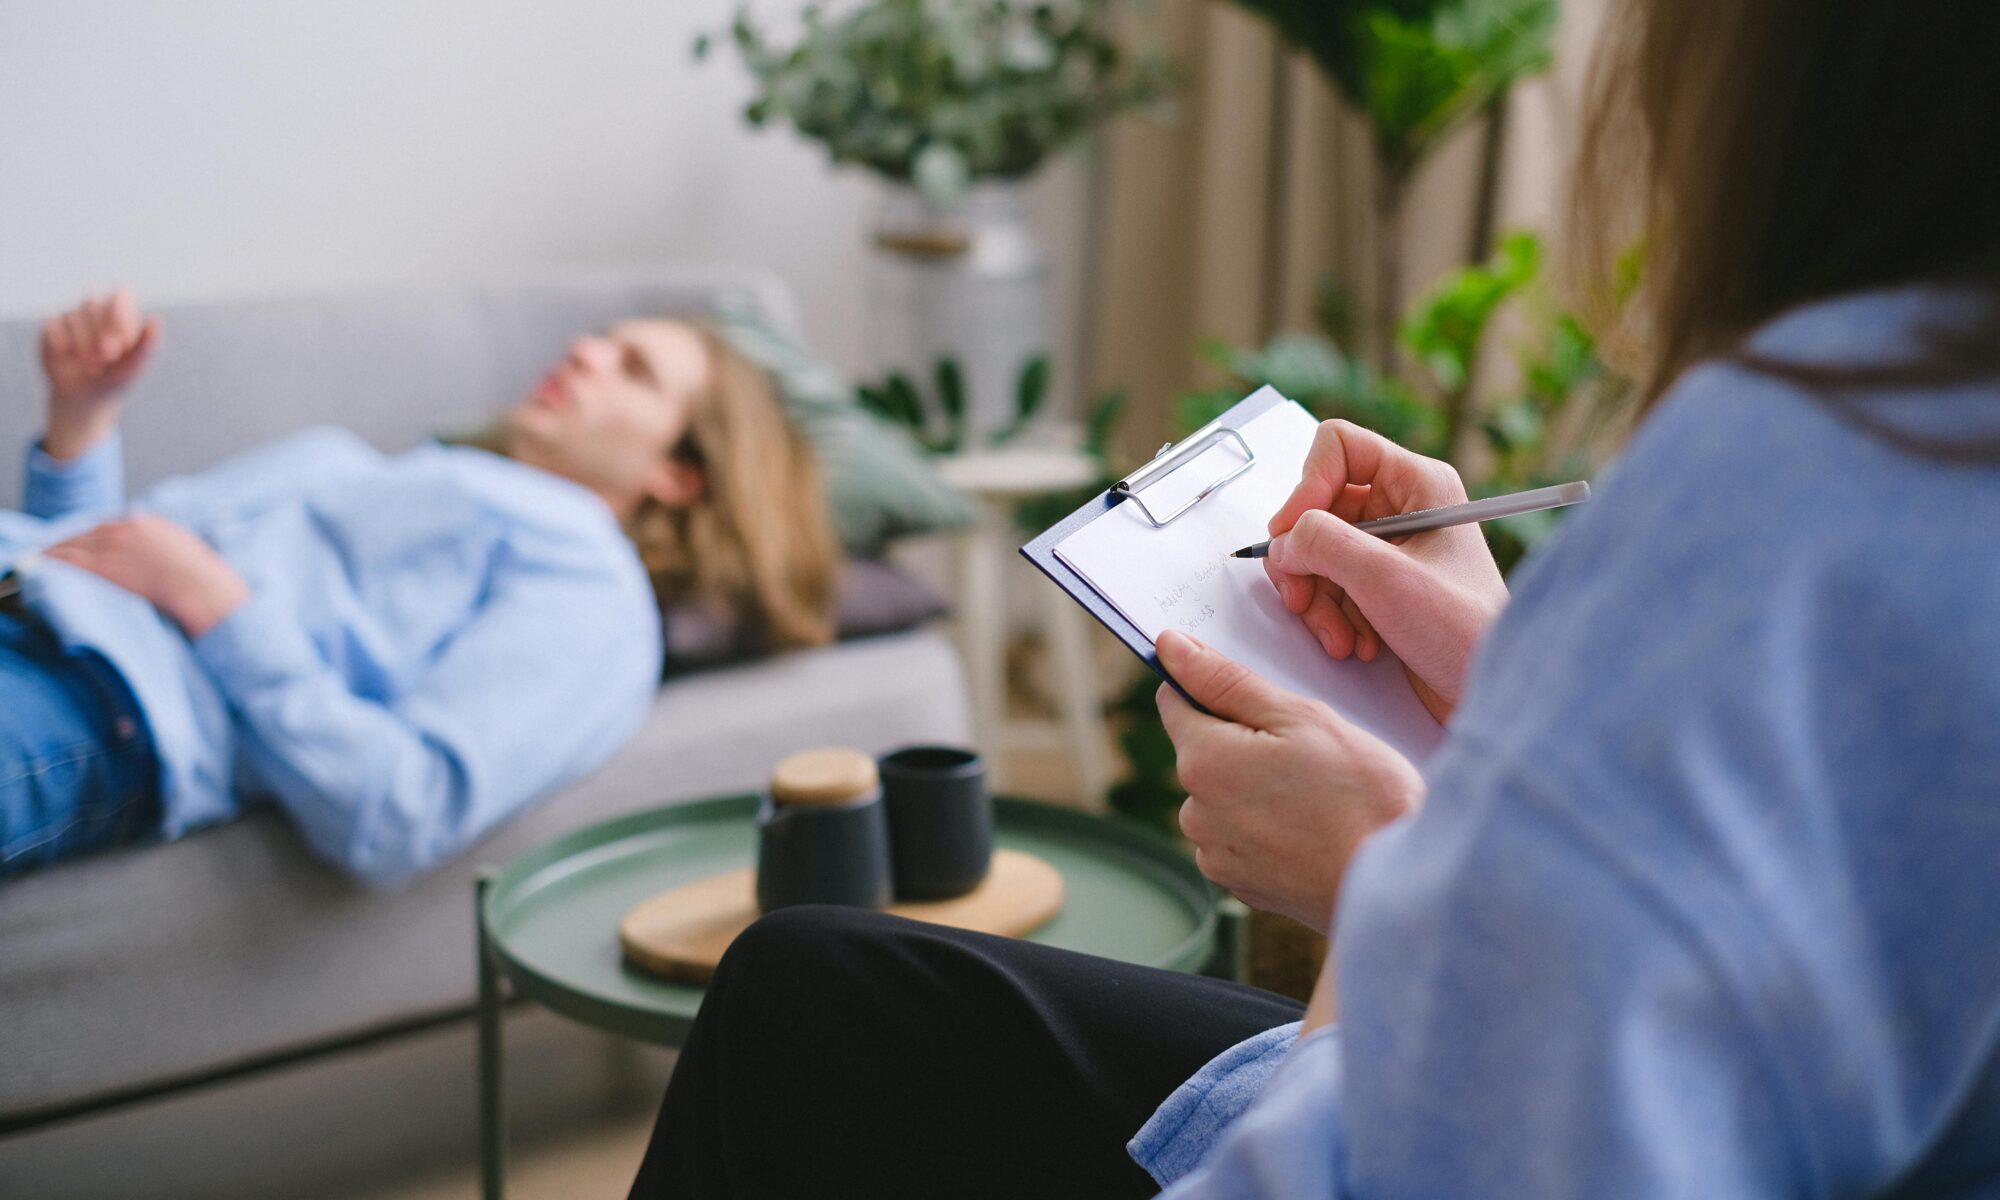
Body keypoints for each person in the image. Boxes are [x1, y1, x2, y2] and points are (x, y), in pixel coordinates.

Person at [623, 0, 2000, 1195]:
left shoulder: (1806, 487)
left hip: (1412, 1081)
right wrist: (1524, 683)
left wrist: (1378, 874)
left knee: (800, 1024)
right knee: (807, 986)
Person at [0, 290, 838, 885]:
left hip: (91, 704)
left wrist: (216, 604)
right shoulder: (420, 472)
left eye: (634, 370)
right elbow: (90, 564)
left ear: (678, 475)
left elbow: (400, 810)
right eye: (600, 340)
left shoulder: (591, 591)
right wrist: (83, 424)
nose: (585, 352)